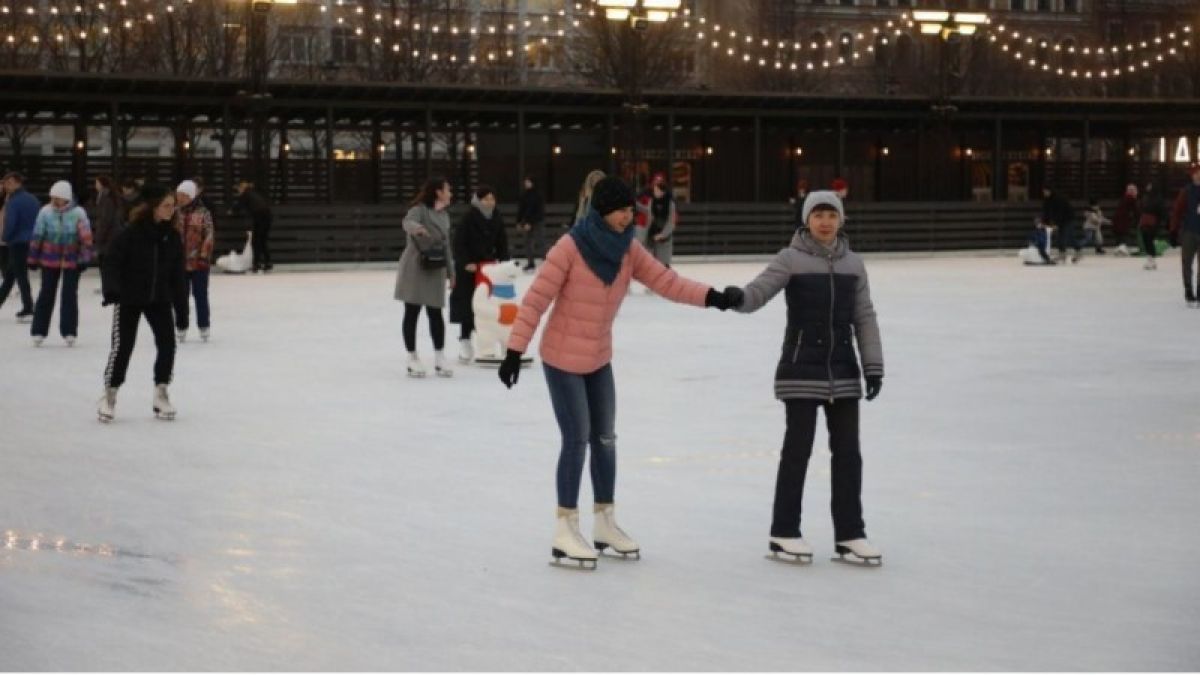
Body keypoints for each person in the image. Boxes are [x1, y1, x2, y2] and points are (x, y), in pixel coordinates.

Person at [496, 176, 740, 569]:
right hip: (562, 359)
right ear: (604, 210)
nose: (630, 216)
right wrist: (513, 351)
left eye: (632, 209)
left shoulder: (627, 249)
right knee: (577, 439)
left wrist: (713, 298)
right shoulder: (570, 246)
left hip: (597, 358)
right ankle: (564, 528)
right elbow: (537, 298)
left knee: (605, 438)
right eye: (624, 209)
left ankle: (605, 522)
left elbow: (666, 281)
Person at [725, 190, 883, 566]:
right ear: (807, 220)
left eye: (831, 214)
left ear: (841, 219)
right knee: (797, 452)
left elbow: (865, 317)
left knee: (848, 455)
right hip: (800, 370)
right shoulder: (790, 258)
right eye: (818, 215)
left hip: (843, 371)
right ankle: (784, 531)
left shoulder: (854, 265)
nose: (825, 221)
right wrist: (736, 298)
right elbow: (759, 292)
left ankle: (850, 534)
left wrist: (873, 365)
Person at [98, 183, 188, 422]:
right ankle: (110, 393)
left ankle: (161, 392)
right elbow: (111, 262)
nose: (171, 210)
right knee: (123, 347)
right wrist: (112, 290)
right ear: (153, 208)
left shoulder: (172, 237)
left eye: (173, 206)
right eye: (166, 206)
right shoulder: (131, 233)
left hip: (159, 299)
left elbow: (178, 275)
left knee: (167, 344)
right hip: (129, 297)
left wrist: (182, 310)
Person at [395, 177, 456, 378]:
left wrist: (451, 272)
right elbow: (407, 222)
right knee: (412, 311)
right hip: (415, 265)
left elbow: (446, 246)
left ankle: (439, 357)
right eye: (448, 189)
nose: (450, 193)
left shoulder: (445, 216)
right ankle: (412, 357)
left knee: (435, 312)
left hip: (436, 266)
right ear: (438, 192)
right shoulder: (420, 210)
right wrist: (417, 228)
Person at [27, 181, 93, 346]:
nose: (54, 201)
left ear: (66, 198)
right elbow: (37, 236)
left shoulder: (78, 213)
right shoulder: (45, 212)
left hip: (72, 259)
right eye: (53, 197)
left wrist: (84, 259)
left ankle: (69, 331)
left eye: (58, 198)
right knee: (46, 293)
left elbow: (86, 238)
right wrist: (32, 258)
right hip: (50, 258)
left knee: (69, 295)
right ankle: (39, 331)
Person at [450, 185, 509, 364]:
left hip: (489, 268)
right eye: (486, 199)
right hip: (470, 268)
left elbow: (502, 241)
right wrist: (466, 262)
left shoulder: (496, 217)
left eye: (492, 199)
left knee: (491, 304)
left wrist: (504, 261)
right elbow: (459, 242)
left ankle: (490, 340)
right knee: (469, 304)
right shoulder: (469, 217)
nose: (490, 202)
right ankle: (465, 339)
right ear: (478, 199)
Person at [173, 180, 215, 342]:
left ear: (190, 196)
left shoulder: (203, 213)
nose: (179, 198)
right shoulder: (174, 212)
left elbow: (209, 235)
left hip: (199, 263)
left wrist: (204, 256)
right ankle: (181, 326)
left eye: (183, 195)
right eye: (178, 195)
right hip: (179, 263)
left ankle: (204, 325)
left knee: (200, 294)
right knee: (180, 296)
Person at [1169, 163, 1200, 306]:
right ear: (1192, 175)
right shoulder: (1186, 192)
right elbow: (1177, 211)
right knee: (1187, 262)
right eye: (1196, 173)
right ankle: (1188, 290)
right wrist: (1173, 230)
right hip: (1189, 231)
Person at [88, 175, 125, 292]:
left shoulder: (106, 197)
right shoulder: (111, 196)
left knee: (106, 263)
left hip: (108, 236)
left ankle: (108, 286)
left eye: (97, 183)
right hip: (112, 235)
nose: (95, 185)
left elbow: (105, 219)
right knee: (108, 263)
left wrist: (98, 236)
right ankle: (109, 285)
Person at [635, 172, 677, 268]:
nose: (654, 191)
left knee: (663, 267)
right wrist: (636, 205)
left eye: (657, 189)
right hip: (652, 236)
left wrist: (662, 235)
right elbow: (648, 211)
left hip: (664, 240)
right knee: (652, 266)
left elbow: (671, 222)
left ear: (662, 191)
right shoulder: (652, 201)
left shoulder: (670, 204)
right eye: (654, 189)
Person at [232, 181, 272, 273]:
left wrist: (231, 211)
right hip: (267, 216)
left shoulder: (245, 194)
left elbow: (238, 206)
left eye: (238, 189)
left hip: (260, 217)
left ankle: (256, 264)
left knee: (256, 241)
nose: (238, 192)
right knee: (262, 241)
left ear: (241, 188)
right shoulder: (253, 193)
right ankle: (267, 262)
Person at [1041, 186, 1080, 264]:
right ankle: (1062, 254)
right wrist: (1044, 223)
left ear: (1050, 191)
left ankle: (1078, 251)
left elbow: (1060, 212)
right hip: (1060, 220)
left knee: (1069, 236)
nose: (1044, 193)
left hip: (1068, 218)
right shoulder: (1047, 200)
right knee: (1060, 237)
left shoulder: (1058, 199)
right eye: (1043, 192)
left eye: (1046, 191)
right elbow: (1046, 213)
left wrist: (1056, 224)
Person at [515, 176, 545, 271]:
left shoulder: (538, 195)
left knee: (540, 242)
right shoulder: (524, 195)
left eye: (528, 182)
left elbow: (538, 211)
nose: (526, 183)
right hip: (527, 221)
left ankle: (547, 262)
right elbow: (521, 209)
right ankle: (530, 262)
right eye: (526, 182)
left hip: (537, 222)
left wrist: (530, 223)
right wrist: (519, 222)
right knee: (527, 242)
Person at [1137, 181, 1168, 271]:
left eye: (1150, 186)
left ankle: (1152, 260)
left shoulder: (1158, 198)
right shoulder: (1145, 197)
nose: (1148, 187)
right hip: (1144, 220)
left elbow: (1162, 211)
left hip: (1153, 221)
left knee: (1150, 240)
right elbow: (1141, 208)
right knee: (1146, 240)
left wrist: (1164, 221)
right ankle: (1149, 258)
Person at [1112, 184, 1138, 256]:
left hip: (1117, 219)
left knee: (1119, 235)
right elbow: (1135, 210)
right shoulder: (1130, 198)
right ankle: (1121, 249)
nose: (1136, 192)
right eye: (1135, 190)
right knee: (1124, 235)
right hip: (1123, 220)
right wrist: (1138, 219)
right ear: (1132, 191)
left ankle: (1118, 249)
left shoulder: (1124, 197)